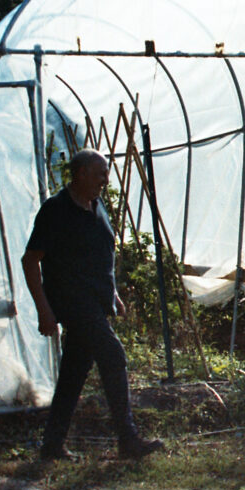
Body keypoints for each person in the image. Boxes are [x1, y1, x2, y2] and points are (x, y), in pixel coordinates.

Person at [22, 149, 163, 460]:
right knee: (113, 355)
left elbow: (99, 255)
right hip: (72, 302)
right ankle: (128, 440)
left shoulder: (96, 204)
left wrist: (112, 294)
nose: (105, 180)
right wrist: (44, 310)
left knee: (74, 370)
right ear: (81, 173)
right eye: (100, 173)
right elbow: (30, 261)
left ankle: (52, 445)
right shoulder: (56, 211)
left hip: (95, 303)